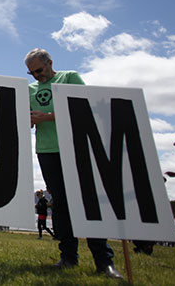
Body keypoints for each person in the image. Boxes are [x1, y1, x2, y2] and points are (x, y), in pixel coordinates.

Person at [25, 48, 122, 280]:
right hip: (47, 151)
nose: (37, 76)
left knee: (87, 201)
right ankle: (68, 256)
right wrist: (27, 119)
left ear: (50, 63)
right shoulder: (29, 90)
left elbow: (83, 107)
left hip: (77, 146)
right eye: (32, 73)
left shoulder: (69, 78)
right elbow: (26, 121)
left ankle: (103, 260)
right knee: (60, 203)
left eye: (39, 70)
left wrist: (47, 116)